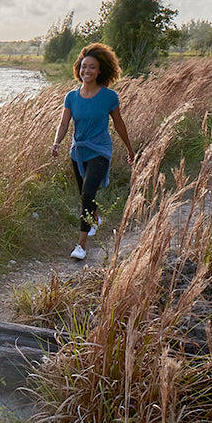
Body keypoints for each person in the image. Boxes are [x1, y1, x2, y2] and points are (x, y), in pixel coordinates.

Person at [50, 43, 135, 261]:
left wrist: (129, 149)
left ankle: (81, 245)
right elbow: (63, 123)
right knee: (85, 195)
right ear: (78, 69)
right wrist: (57, 142)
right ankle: (94, 218)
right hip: (78, 152)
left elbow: (119, 124)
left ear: (100, 71)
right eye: (83, 67)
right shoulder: (71, 97)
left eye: (92, 67)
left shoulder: (109, 97)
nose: (86, 71)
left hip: (101, 150)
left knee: (88, 194)